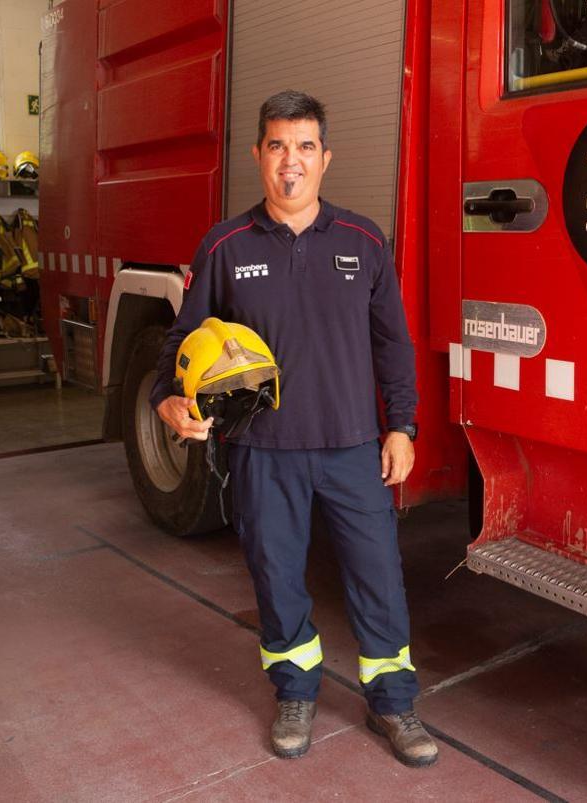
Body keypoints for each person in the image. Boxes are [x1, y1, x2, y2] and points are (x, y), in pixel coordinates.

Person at [150, 90, 437, 767]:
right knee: (277, 577)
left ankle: (393, 703)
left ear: (325, 157)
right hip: (261, 451)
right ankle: (294, 692)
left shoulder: (363, 241)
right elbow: (183, 338)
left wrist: (402, 425)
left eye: (305, 146)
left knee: (378, 577)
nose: (291, 162)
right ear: (258, 155)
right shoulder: (225, 245)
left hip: (350, 447)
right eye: (278, 145)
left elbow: (393, 342)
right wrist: (168, 395)